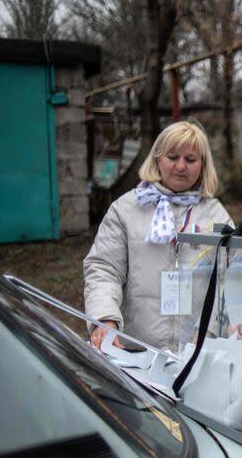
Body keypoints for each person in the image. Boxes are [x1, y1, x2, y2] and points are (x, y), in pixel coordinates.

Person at [84, 121, 232, 352]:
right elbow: (104, 269)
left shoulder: (216, 215)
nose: (181, 166)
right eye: (173, 157)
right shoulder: (126, 209)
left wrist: (208, 332)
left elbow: (229, 279)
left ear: (203, 165)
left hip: (197, 353)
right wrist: (104, 318)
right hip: (134, 350)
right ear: (157, 159)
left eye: (191, 160)